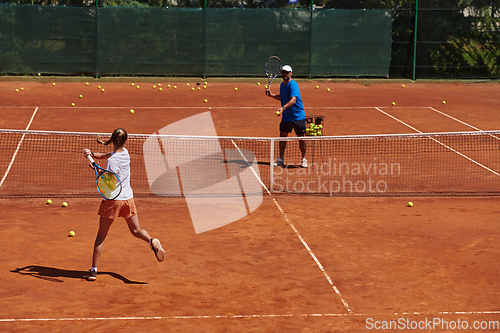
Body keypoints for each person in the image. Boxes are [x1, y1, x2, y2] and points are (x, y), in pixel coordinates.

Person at [82, 128, 165, 281]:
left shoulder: (112, 161)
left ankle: (93, 271)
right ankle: (151, 241)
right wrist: (91, 155)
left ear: (112, 141)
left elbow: (109, 182)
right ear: (124, 142)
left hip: (114, 200)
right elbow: (104, 156)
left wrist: (94, 165)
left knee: (101, 236)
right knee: (135, 230)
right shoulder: (125, 153)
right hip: (128, 199)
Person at [265, 64, 307, 168]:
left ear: (291, 73)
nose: (285, 74)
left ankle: (303, 159)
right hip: (287, 117)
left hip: (297, 116)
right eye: (283, 72)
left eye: (287, 72)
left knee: (301, 139)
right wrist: (272, 95)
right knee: (282, 137)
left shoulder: (293, 84)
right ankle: (281, 159)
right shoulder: (282, 85)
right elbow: (282, 97)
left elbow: (293, 100)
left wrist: (282, 108)